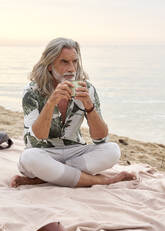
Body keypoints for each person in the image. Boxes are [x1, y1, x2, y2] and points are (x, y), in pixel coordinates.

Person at [11, 37, 135, 188]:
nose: (72, 68)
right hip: (43, 152)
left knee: (113, 151)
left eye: (75, 61)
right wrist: (51, 102)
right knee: (29, 158)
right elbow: (38, 138)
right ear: (50, 65)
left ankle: (47, 176)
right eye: (64, 62)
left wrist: (89, 106)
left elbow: (100, 138)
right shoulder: (32, 91)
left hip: (75, 151)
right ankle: (104, 180)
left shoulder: (87, 89)